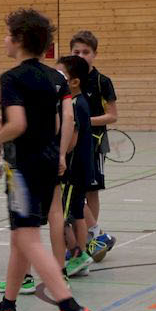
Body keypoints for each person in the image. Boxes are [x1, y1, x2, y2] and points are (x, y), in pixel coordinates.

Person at [0, 8, 93, 311]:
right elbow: (59, 123)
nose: (5, 40)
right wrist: (57, 153)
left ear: (19, 40)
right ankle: (8, 304)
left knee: (28, 239)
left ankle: (71, 309)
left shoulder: (11, 78)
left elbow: (18, 124)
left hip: (23, 169)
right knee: (23, 236)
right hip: (48, 163)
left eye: (8, 35)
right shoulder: (55, 78)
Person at [68, 30, 118, 259]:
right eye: (76, 51)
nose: (80, 56)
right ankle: (93, 236)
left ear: (94, 54)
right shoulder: (66, 80)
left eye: (85, 52)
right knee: (73, 190)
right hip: (71, 143)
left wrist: (84, 120)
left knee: (91, 190)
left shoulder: (102, 82)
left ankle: (92, 236)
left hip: (94, 144)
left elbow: (112, 116)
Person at [55, 54, 95, 278]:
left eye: (61, 75)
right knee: (76, 212)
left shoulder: (75, 105)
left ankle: (78, 254)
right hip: (81, 169)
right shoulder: (79, 103)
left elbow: (71, 142)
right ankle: (80, 258)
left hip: (73, 170)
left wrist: (58, 154)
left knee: (61, 215)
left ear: (74, 81)